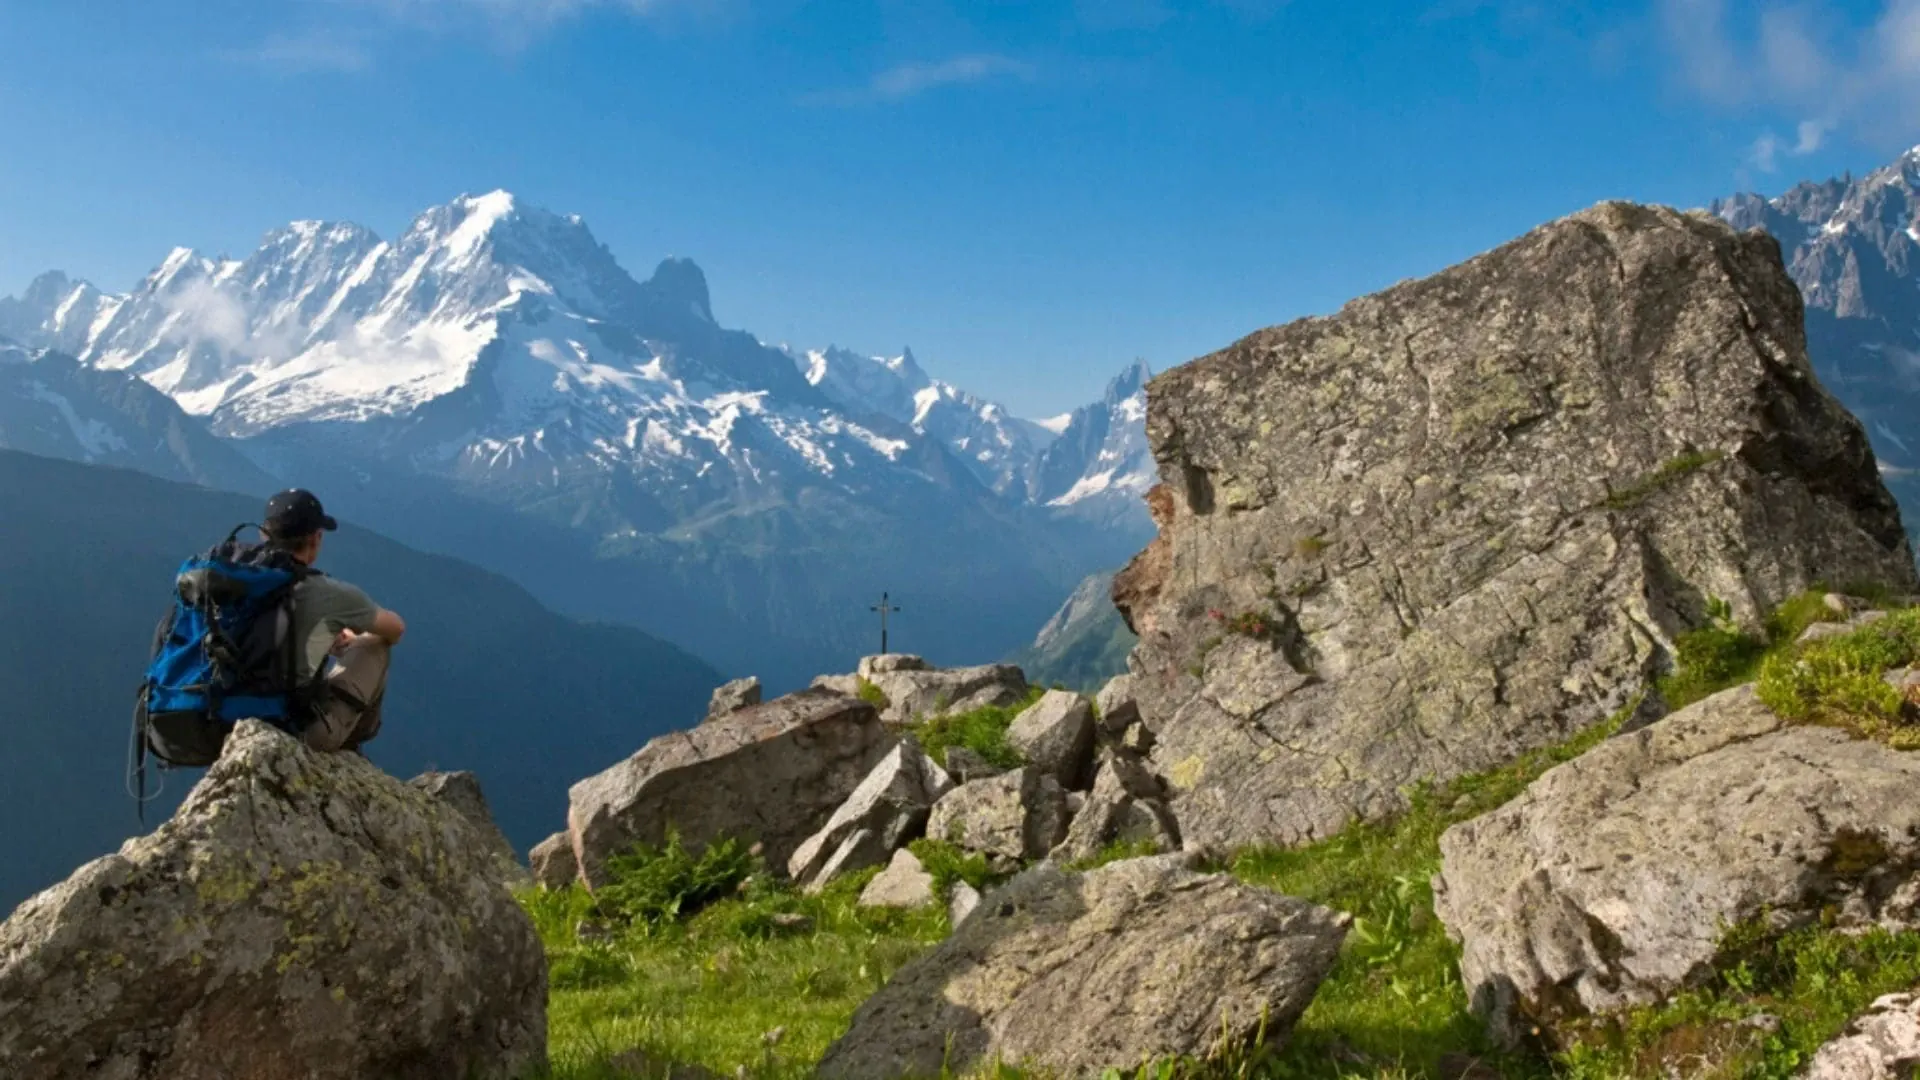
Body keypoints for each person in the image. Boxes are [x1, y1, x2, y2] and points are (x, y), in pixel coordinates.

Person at [261, 489, 407, 753]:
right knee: (375, 644)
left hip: (222, 720)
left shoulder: (232, 579)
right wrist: (354, 637)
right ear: (316, 539)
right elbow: (395, 629)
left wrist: (323, 636)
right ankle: (351, 743)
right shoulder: (326, 593)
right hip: (294, 731)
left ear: (263, 534)